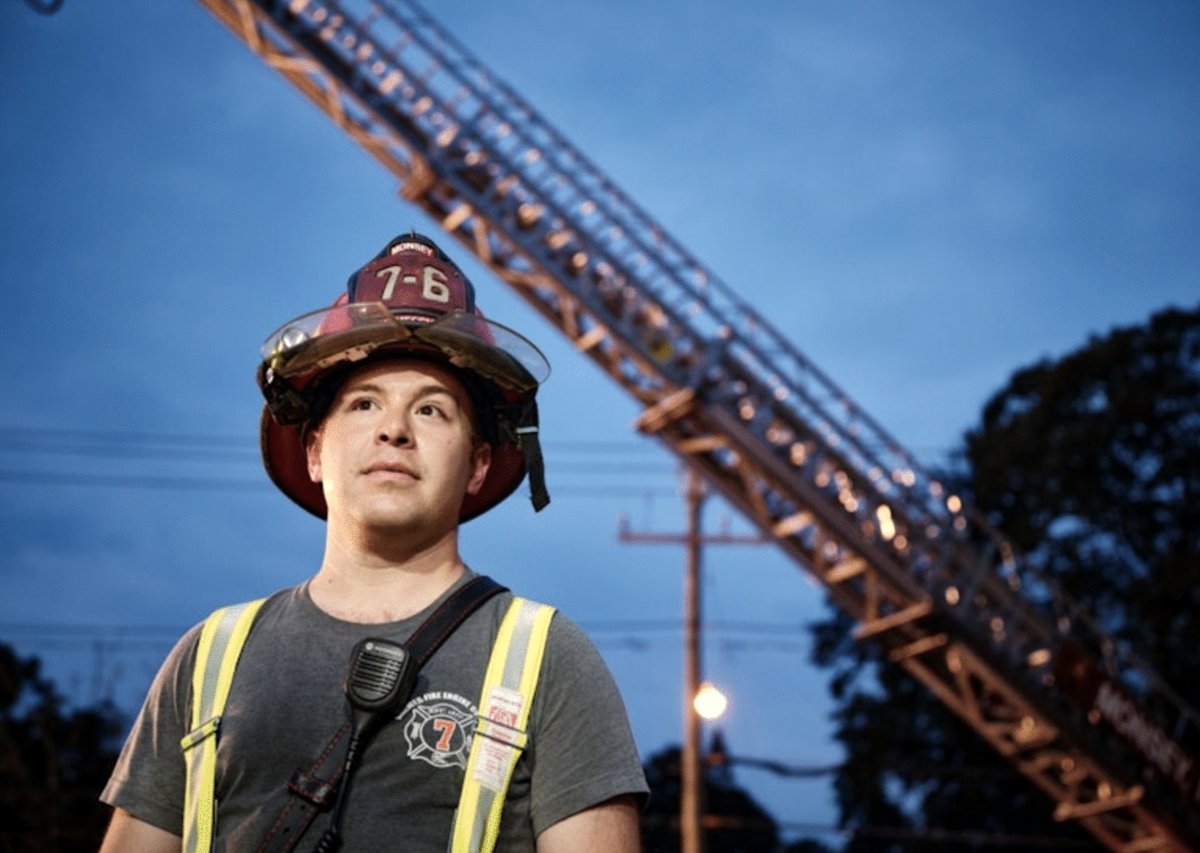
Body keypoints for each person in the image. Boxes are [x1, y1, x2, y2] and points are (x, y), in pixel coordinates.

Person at [99, 232, 649, 852]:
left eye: (432, 410)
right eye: (363, 404)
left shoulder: (548, 659)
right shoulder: (207, 659)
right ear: (313, 451)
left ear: (476, 463)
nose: (394, 430)